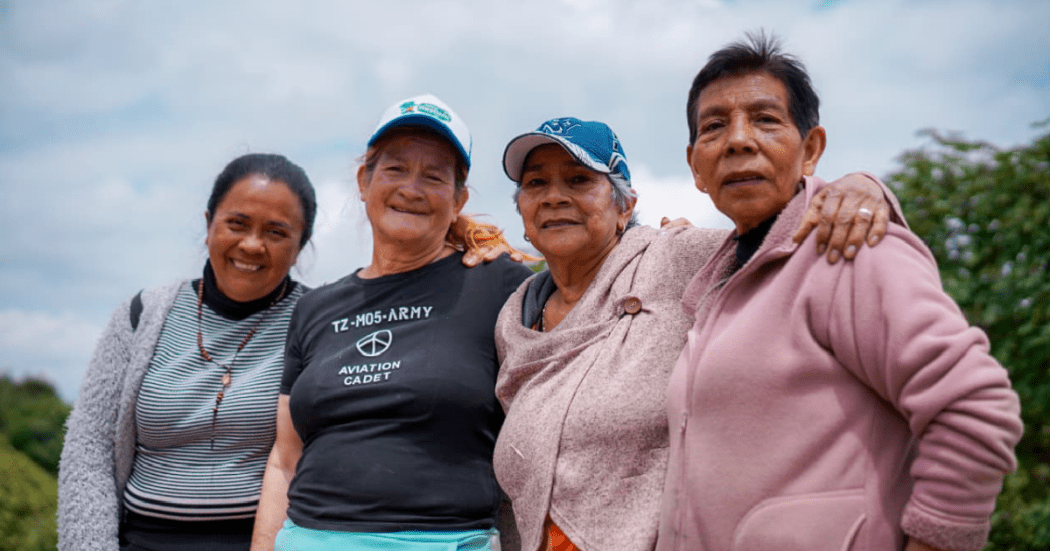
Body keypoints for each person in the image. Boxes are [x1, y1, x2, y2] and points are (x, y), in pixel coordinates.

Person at [656, 33, 1023, 551]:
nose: (738, 139)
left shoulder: (850, 247)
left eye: (765, 119)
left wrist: (936, 541)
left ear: (811, 150)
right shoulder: (718, 279)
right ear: (696, 166)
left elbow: (975, 406)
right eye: (715, 126)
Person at [492, 116, 900, 551]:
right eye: (536, 184)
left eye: (578, 180)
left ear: (624, 207)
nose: (555, 197)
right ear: (522, 212)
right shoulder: (515, 317)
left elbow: (793, 240)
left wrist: (863, 187)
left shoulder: (674, 257)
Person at [251, 94, 534, 551]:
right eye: (395, 169)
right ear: (365, 180)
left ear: (459, 197)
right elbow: (285, 460)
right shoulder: (315, 308)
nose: (411, 188)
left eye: (434, 176)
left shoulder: (501, 285)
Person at [58, 153, 318, 551]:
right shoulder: (142, 314)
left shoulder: (320, 322)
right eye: (237, 224)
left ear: (300, 247)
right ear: (208, 224)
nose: (251, 245)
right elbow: (89, 447)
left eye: (277, 232)